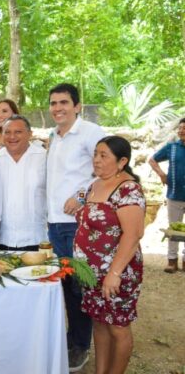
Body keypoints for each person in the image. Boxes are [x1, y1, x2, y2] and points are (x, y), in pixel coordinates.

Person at [46, 83, 105, 371]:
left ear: (77, 106)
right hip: (55, 225)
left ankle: (80, 345)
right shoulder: (54, 137)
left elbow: (110, 168)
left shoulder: (92, 133)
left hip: (77, 224)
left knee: (79, 287)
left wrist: (82, 195)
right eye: (54, 103)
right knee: (64, 285)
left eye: (64, 102)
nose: (58, 108)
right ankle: (69, 339)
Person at [74, 136, 145, 374]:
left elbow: (133, 234)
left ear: (122, 161)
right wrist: (74, 200)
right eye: (96, 154)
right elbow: (81, 201)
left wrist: (114, 273)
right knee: (100, 323)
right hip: (91, 274)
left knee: (118, 327)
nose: (96, 160)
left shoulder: (127, 189)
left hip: (117, 273)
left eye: (104, 155)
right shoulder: (95, 184)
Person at [0, 115, 46, 251]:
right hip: (2, 239)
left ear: (30, 134)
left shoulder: (44, 157)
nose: (12, 137)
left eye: (18, 132)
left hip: (38, 239)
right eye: (7, 132)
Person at [148, 117, 185, 273]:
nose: (181, 131)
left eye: (184, 128)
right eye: (180, 128)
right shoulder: (172, 147)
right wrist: (162, 175)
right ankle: (172, 261)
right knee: (173, 229)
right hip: (174, 194)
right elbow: (152, 160)